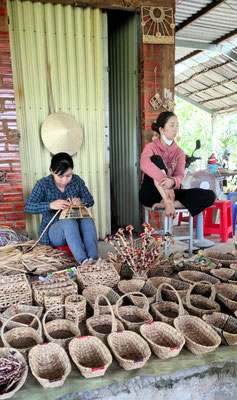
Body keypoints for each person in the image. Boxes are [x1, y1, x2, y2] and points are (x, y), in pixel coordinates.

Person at [24, 152, 98, 265]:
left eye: (68, 175)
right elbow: (28, 207)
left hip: (76, 231)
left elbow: (90, 200)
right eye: (60, 176)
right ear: (52, 171)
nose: (65, 180)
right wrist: (50, 205)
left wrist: (81, 201)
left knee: (88, 220)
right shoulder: (43, 184)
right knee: (68, 222)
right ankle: (83, 262)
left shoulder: (76, 181)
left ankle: (94, 260)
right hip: (54, 234)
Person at [139, 111, 216, 218]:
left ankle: (168, 205)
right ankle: (167, 202)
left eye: (177, 125)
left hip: (172, 193)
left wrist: (172, 181)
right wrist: (165, 181)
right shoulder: (151, 147)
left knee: (210, 195)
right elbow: (144, 164)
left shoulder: (179, 152)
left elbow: (180, 176)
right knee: (156, 159)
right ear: (161, 129)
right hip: (151, 194)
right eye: (171, 125)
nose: (175, 129)